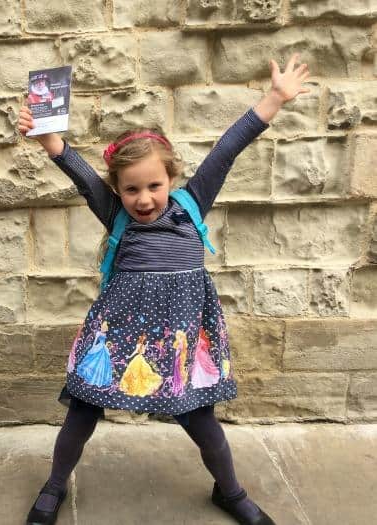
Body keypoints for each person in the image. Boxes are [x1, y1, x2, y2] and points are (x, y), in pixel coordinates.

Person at [18, 54, 310, 525]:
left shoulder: (190, 205)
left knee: (203, 424)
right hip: (117, 337)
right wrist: (49, 138)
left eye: (154, 185)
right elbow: (78, 172)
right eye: (131, 190)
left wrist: (275, 97)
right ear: (118, 189)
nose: (144, 199)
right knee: (81, 415)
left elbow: (227, 148)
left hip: (179, 340)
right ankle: (54, 487)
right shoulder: (115, 214)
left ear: (171, 180)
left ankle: (231, 492)